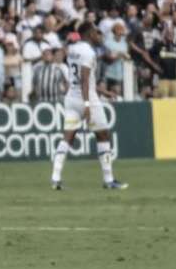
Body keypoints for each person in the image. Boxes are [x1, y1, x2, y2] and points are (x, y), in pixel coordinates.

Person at [51, 22, 127, 190]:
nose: (97, 35)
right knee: (103, 135)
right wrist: (87, 104)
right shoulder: (88, 52)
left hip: (71, 98)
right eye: (95, 32)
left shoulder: (72, 50)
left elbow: (79, 79)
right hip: (88, 100)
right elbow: (85, 80)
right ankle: (108, 180)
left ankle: (55, 178)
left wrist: (104, 92)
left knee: (67, 138)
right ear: (88, 34)